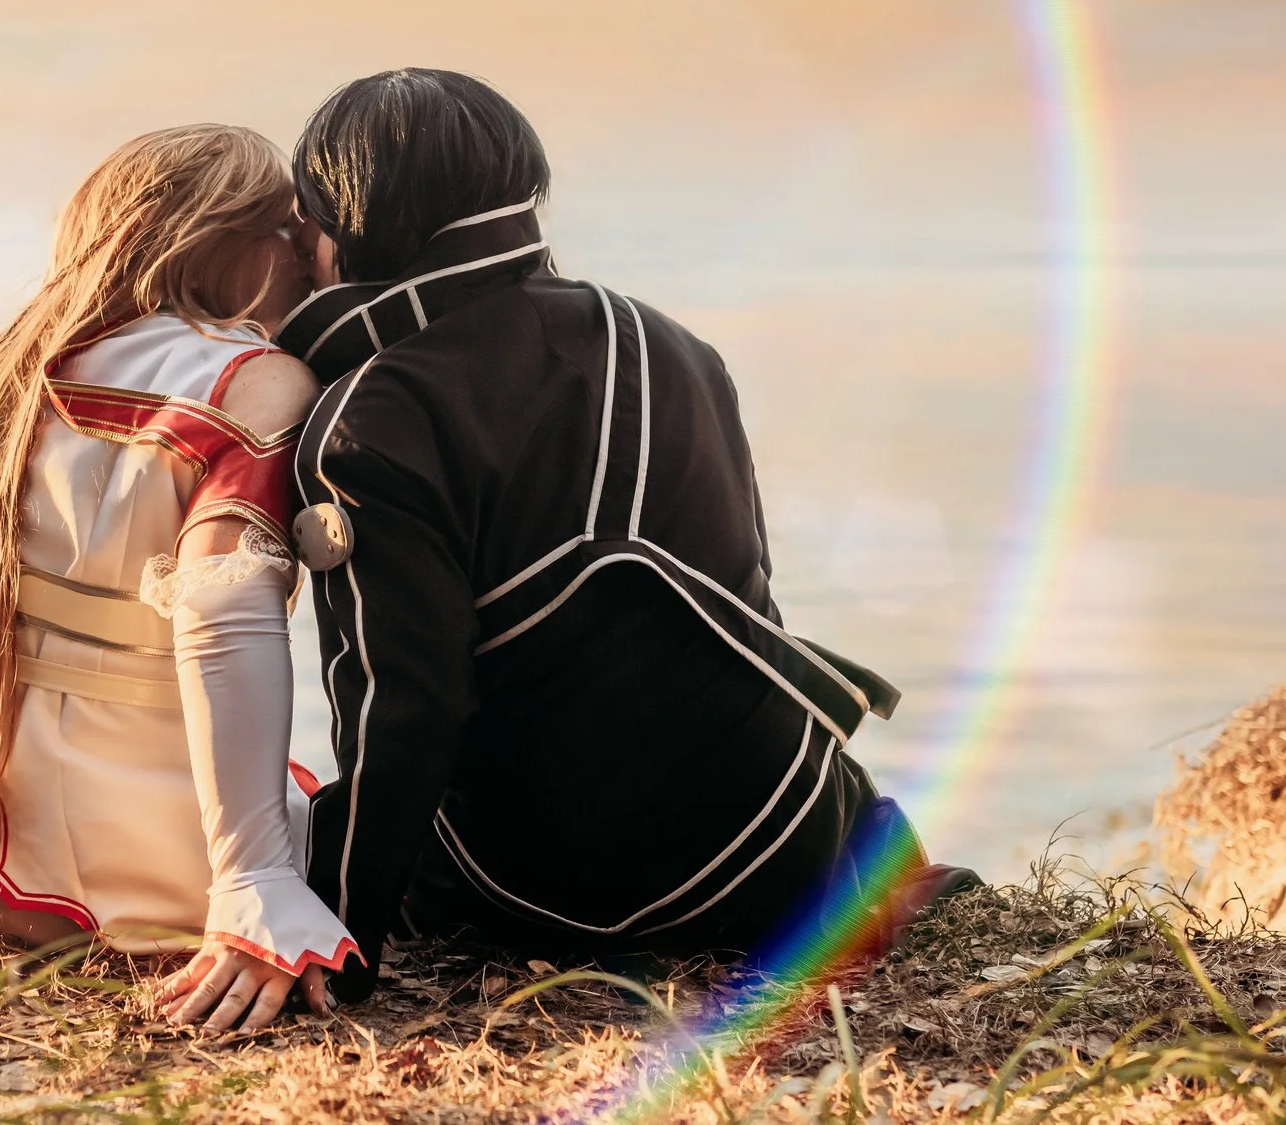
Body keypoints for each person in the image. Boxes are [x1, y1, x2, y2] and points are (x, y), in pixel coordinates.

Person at [275, 70, 972, 1002]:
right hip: (776, 853)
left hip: (553, 893)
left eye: (305, 220)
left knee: (289, 817)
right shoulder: (674, 345)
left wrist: (330, 937)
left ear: (342, 229)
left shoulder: (366, 417)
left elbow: (403, 709)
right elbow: (746, 601)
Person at [0, 124, 356, 1030]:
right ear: (230, 245)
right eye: (288, 230)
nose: (310, 258)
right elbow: (225, 603)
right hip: (135, 858)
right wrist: (256, 875)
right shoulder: (255, 381)